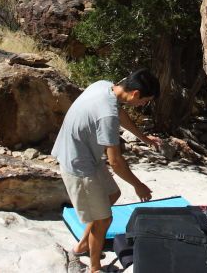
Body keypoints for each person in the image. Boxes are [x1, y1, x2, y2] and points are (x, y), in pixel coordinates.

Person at [51, 69, 162, 273]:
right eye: (145, 100)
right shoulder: (107, 117)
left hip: (85, 155)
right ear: (136, 94)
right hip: (78, 164)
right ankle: (94, 268)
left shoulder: (104, 86)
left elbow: (120, 113)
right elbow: (116, 162)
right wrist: (139, 186)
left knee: (113, 194)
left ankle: (85, 243)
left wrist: (143, 138)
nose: (143, 105)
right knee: (104, 219)